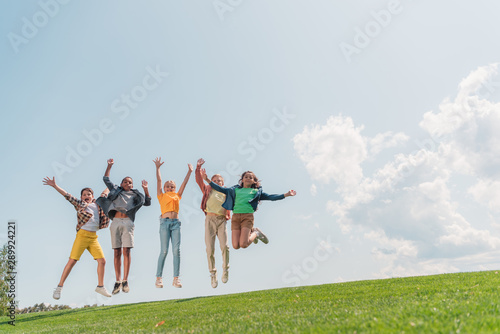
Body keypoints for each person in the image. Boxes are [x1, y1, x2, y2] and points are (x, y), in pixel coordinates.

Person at [43, 176, 112, 300]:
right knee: (72, 261)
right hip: (82, 236)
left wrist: (110, 184)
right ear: (81, 197)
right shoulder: (80, 205)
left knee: (102, 261)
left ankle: (100, 286)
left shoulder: (98, 204)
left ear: (92, 196)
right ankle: (59, 287)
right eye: (84, 194)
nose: (86, 196)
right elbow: (68, 196)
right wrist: (55, 186)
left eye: (89, 194)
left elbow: (105, 192)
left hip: (93, 238)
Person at [201, 170, 296, 249]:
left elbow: (271, 197)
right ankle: (253, 233)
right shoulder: (235, 190)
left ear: (254, 181)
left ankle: (256, 233)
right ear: (242, 179)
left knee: (244, 244)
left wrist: (286, 194)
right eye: (246, 177)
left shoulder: (255, 192)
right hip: (236, 218)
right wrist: (207, 180)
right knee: (235, 246)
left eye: (251, 177)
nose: (248, 178)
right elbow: (220, 189)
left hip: (247, 217)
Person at [96, 158, 151, 295]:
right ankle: (118, 280)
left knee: (127, 251)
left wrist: (146, 190)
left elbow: (148, 203)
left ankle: (126, 280)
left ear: (132, 185)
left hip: (127, 222)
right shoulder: (116, 191)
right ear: (121, 184)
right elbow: (106, 179)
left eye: (130, 182)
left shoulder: (136, 194)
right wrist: (109, 166)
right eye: (125, 181)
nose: (128, 183)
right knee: (116, 251)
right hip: (115, 222)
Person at [153, 157, 193, 289]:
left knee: (176, 250)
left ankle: (176, 278)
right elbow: (159, 180)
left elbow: (184, 184)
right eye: (167, 186)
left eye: (172, 186)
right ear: (164, 188)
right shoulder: (161, 195)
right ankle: (159, 278)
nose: (170, 188)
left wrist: (189, 172)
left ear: (174, 188)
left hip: (176, 223)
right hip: (164, 224)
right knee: (164, 250)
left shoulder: (177, 195)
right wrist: (158, 168)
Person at [195, 158, 231, 288]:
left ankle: (225, 269)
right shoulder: (208, 189)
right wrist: (198, 168)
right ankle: (213, 274)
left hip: (221, 220)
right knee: (210, 248)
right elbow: (199, 181)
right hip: (210, 220)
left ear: (223, 182)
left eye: (219, 180)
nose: (216, 182)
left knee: (225, 246)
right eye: (214, 180)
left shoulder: (227, 192)